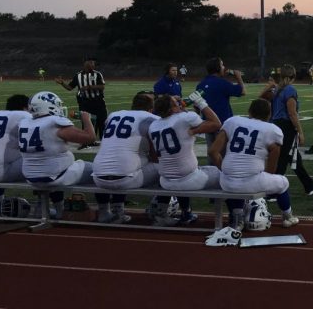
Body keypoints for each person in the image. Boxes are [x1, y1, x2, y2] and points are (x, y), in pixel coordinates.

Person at [208, 98, 298, 231]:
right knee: (283, 182)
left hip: (227, 182)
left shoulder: (233, 121)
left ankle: (237, 219)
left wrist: (225, 169)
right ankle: (288, 216)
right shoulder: (272, 130)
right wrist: (266, 177)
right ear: (269, 114)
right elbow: (272, 166)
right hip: (252, 181)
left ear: (249, 111)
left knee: (233, 183)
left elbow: (212, 151)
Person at [148, 91, 221, 225]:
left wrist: (179, 108)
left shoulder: (153, 126)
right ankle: (237, 216)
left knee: (182, 171)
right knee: (224, 175)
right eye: (176, 102)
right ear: (172, 109)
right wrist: (200, 102)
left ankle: (167, 214)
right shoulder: (185, 118)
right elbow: (216, 123)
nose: (180, 103)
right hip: (190, 179)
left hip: (166, 181)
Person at [19, 91, 96, 219]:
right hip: (54, 176)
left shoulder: (25, 123)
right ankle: (108, 210)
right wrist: (87, 120)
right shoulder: (53, 123)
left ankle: (47, 208)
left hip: (31, 176)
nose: (60, 107)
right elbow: (89, 138)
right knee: (99, 171)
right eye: (57, 104)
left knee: (56, 169)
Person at [91, 91, 160, 223]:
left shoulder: (113, 115)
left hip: (98, 177)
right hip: (126, 178)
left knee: (121, 164)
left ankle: (107, 212)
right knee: (167, 168)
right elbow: (155, 155)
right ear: (151, 108)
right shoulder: (152, 119)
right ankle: (160, 212)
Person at [260, 65, 313, 196]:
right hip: (285, 126)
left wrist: (269, 87)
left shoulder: (277, 89)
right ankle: (273, 192)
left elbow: (261, 97)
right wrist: (300, 132)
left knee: (293, 156)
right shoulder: (290, 90)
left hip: (276, 125)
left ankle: (309, 186)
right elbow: (292, 113)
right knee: (283, 158)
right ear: (292, 77)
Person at [195, 57, 246, 163]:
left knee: (211, 155)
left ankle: (212, 178)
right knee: (223, 156)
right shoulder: (222, 83)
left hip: (208, 124)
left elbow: (196, 105)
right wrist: (239, 77)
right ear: (218, 68)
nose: (224, 67)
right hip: (223, 125)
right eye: (222, 65)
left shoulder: (201, 84)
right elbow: (242, 92)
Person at [0, 94, 32, 216]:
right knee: (41, 160)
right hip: (1, 171)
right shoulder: (24, 116)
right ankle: (45, 206)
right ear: (25, 108)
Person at [55, 56, 107, 144]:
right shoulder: (78, 75)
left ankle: (104, 142)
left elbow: (102, 86)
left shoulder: (97, 74)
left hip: (98, 102)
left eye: (93, 63)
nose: (93, 65)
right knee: (87, 123)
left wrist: (89, 87)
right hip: (85, 103)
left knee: (102, 122)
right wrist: (62, 83)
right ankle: (87, 142)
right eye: (91, 63)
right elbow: (70, 87)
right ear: (86, 64)